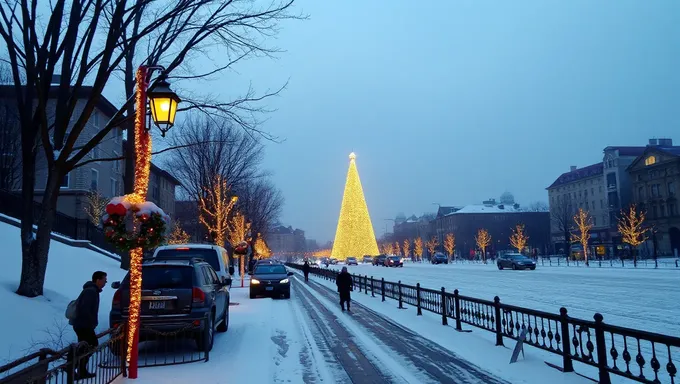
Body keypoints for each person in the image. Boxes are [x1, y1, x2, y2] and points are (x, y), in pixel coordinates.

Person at [71, 271, 107, 380]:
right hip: (84, 325)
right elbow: (85, 309)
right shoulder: (91, 292)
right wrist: (91, 322)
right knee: (91, 344)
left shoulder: (92, 291)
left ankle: (79, 369)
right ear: (98, 280)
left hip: (82, 324)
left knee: (85, 346)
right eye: (104, 280)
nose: (105, 282)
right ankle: (74, 367)